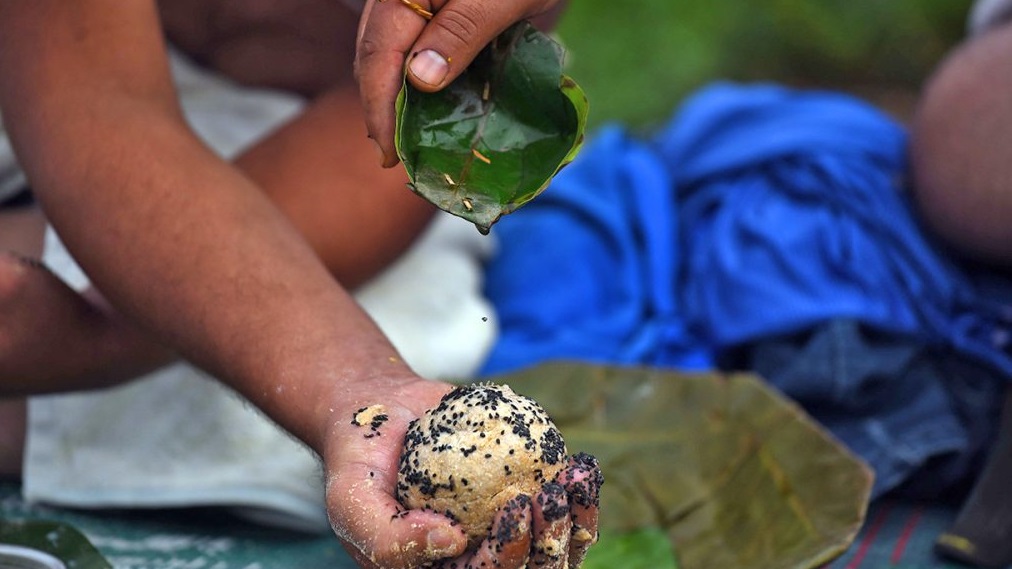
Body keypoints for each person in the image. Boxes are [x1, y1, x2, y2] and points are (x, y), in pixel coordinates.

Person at [0, 1, 601, 568]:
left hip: (315, 144)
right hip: (57, 96)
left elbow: (401, 143)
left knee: (369, 353)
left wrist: (357, 393)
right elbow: (105, 106)